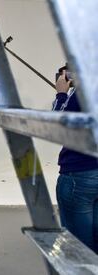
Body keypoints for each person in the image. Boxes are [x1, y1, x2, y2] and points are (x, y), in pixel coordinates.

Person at [53, 65, 98, 253]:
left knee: (77, 246)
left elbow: (57, 125)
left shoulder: (81, 92)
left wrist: (62, 94)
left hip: (78, 174)